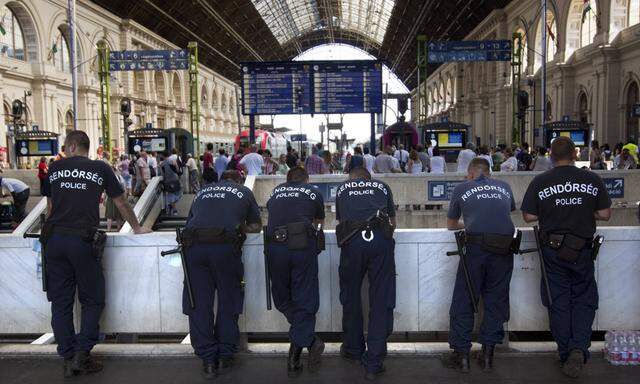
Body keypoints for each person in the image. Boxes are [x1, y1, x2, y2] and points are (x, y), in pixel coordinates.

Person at [41, 131, 149, 378]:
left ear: (71, 146)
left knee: (60, 302)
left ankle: (67, 356)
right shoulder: (100, 168)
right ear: (86, 148)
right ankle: (82, 354)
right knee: (93, 299)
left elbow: (50, 208)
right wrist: (137, 227)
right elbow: (121, 203)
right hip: (82, 239)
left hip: (55, 239)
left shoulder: (55, 168)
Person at [521, 136, 611, 378]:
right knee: (584, 299)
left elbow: (528, 216)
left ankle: (565, 353)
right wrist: (582, 208)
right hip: (582, 250)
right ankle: (579, 349)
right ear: (575, 155)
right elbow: (604, 213)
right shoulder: (591, 179)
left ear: (551, 156)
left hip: (553, 250)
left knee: (557, 301)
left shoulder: (541, 181)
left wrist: (552, 211)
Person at [183, 170, 261, 380]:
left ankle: (208, 361)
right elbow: (256, 226)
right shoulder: (243, 191)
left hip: (193, 248)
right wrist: (238, 226)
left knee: (199, 303)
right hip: (225, 249)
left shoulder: (203, 192)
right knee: (229, 300)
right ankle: (226, 354)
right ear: (238, 180)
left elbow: (190, 221)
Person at [444, 158, 516, 373]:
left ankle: (462, 356)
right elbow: (505, 212)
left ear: (470, 173)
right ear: (489, 173)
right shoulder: (504, 186)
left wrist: (470, 223)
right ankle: (487, 356)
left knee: (465, 298)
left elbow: (450, 225)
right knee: (496, 299)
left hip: (475, 248)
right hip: (503, 248)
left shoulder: (462, 188)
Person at [335, 167, 396, 380]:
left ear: (352, 179)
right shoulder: (382, 186)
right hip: (380, 241)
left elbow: (341, 220)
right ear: (368, 178)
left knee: (350, 295)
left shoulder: (343, 189)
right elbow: (392, 223)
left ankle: (353, 349)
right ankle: (374, 359)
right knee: (380, 299)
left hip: (352, 242)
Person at [265, 167, 326, 376]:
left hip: (276, 247)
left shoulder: (275, 192)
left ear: (287, 180)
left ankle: (296, 356)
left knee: (281, 297)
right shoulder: (313, 192)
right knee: (304, 299)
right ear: (306, 179)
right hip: (302, 248)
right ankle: (309, 340)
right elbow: (319, 223)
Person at [104, 165, 125, 231]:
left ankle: (109, 229)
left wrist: (105, 198)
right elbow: (123, 187)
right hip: (118, 196)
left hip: (110, 196)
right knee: (118, 214)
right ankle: (118, 228)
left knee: (109, 214)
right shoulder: (119, 177)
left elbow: (105, 189)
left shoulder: (107, 177)